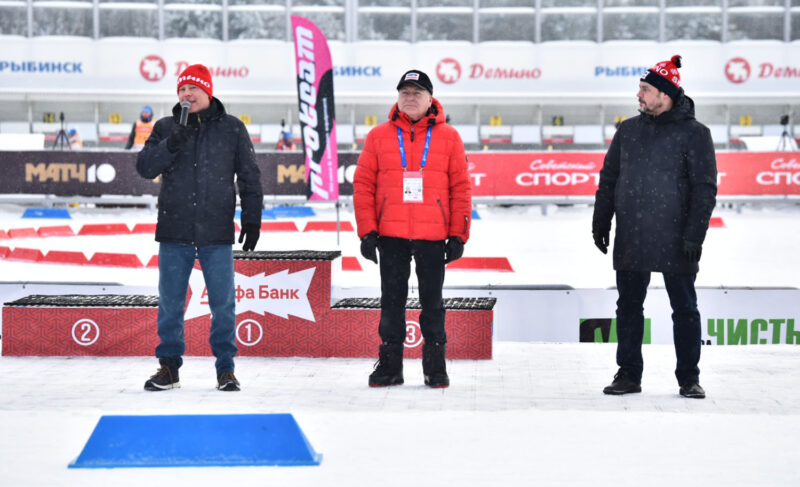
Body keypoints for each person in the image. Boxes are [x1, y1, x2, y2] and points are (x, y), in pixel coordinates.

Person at [592, 55, 717, 399]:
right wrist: (601, 219)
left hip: (677, 237)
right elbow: (609, 179)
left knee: (685, 309)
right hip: (632, 234)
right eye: (640, 89)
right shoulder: (628, 130)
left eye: (645, 89)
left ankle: (689, 378)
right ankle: (628, 374)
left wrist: (694, 234)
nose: (639, 95)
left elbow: (705, 189)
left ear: (665, 93)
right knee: (628, 307)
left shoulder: (696, 134)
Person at [136, 64, 263, 392]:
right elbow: (144, 167)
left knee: (223, 304)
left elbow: (249, 176)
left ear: (208, 92)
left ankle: (226, 368)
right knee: (170, 303)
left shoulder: (232, 128)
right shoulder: (166, 127)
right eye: (182, 89)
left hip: (216, 230)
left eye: (193, 88)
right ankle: (169, 367)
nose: (187, 94)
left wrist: (252, 217)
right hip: (174, 229)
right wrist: (170, 144)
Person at [353, 69, 472, 388]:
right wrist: (367, 231)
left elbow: (461, 187)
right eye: (404, 92)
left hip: (433, 235)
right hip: (390, 235)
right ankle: (390, 365)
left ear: (430, 99)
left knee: (432, 303)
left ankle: (435, 365)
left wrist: (458, 234)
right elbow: (363, 185)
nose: (410, 97)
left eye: (417, 92)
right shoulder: (378, 136)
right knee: (391, 301)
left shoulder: (449, 137)